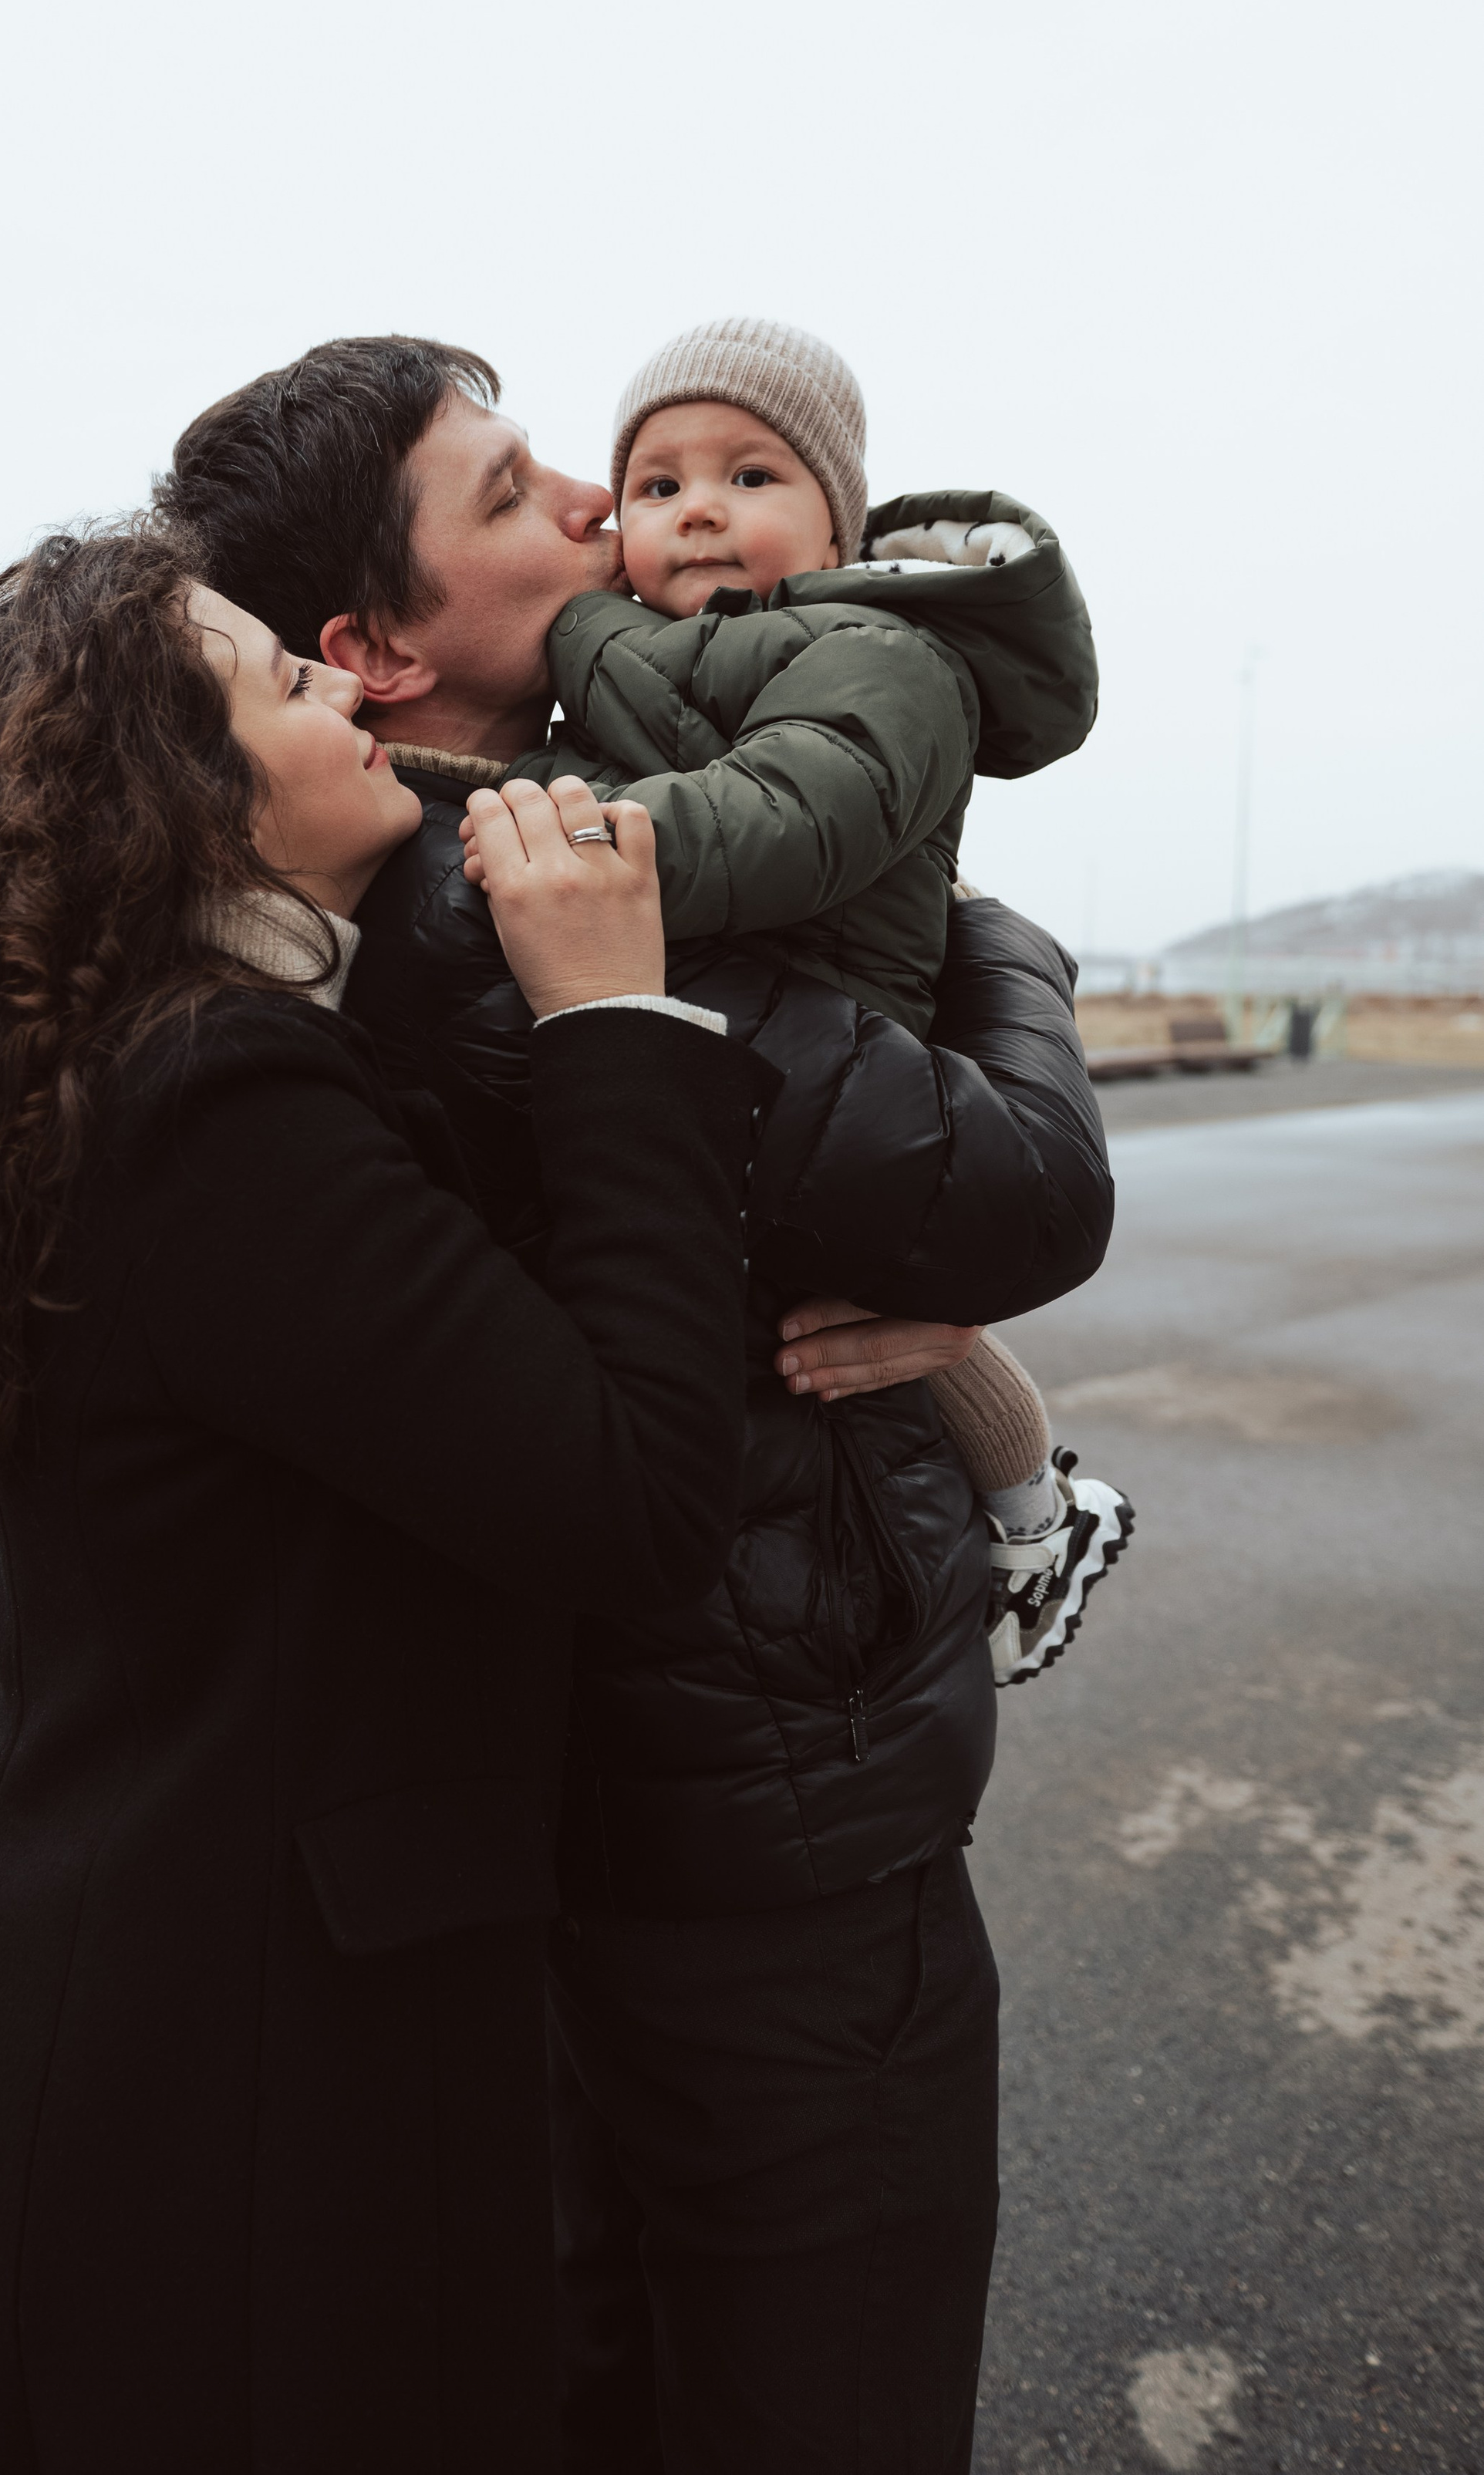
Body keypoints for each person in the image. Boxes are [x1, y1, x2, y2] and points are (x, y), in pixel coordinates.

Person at [157, 336, 1116, 2475]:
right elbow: (1026, 1187)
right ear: (371, 652)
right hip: (766, 1808)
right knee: (816, 2379)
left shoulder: (442, 867)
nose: (606, 507)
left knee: (595, 2358)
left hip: (566, 1792)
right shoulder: (536, 897)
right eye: (519, 496)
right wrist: (1000, 937)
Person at [0, 518, 771, 2474]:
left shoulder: (143, 1064)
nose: (331, 674)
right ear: (174, 794)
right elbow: (634, 1502)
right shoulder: (216, 1103)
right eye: (267, 672)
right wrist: (609, 1015)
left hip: (129, 1952)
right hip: (224, 2046)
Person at [481, 312, 1135, 1687]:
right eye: (659, 483)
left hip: (846, 1025)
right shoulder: (619, 669)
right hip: (745, 1065)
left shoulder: (885, 653)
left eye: (751, 474)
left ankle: (1040, 1508)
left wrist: (566, 831)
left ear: (839, 520)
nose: (699, 508)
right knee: (821, 1331)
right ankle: (1032, 1513)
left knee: (867, 1312)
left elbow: (786, 819)